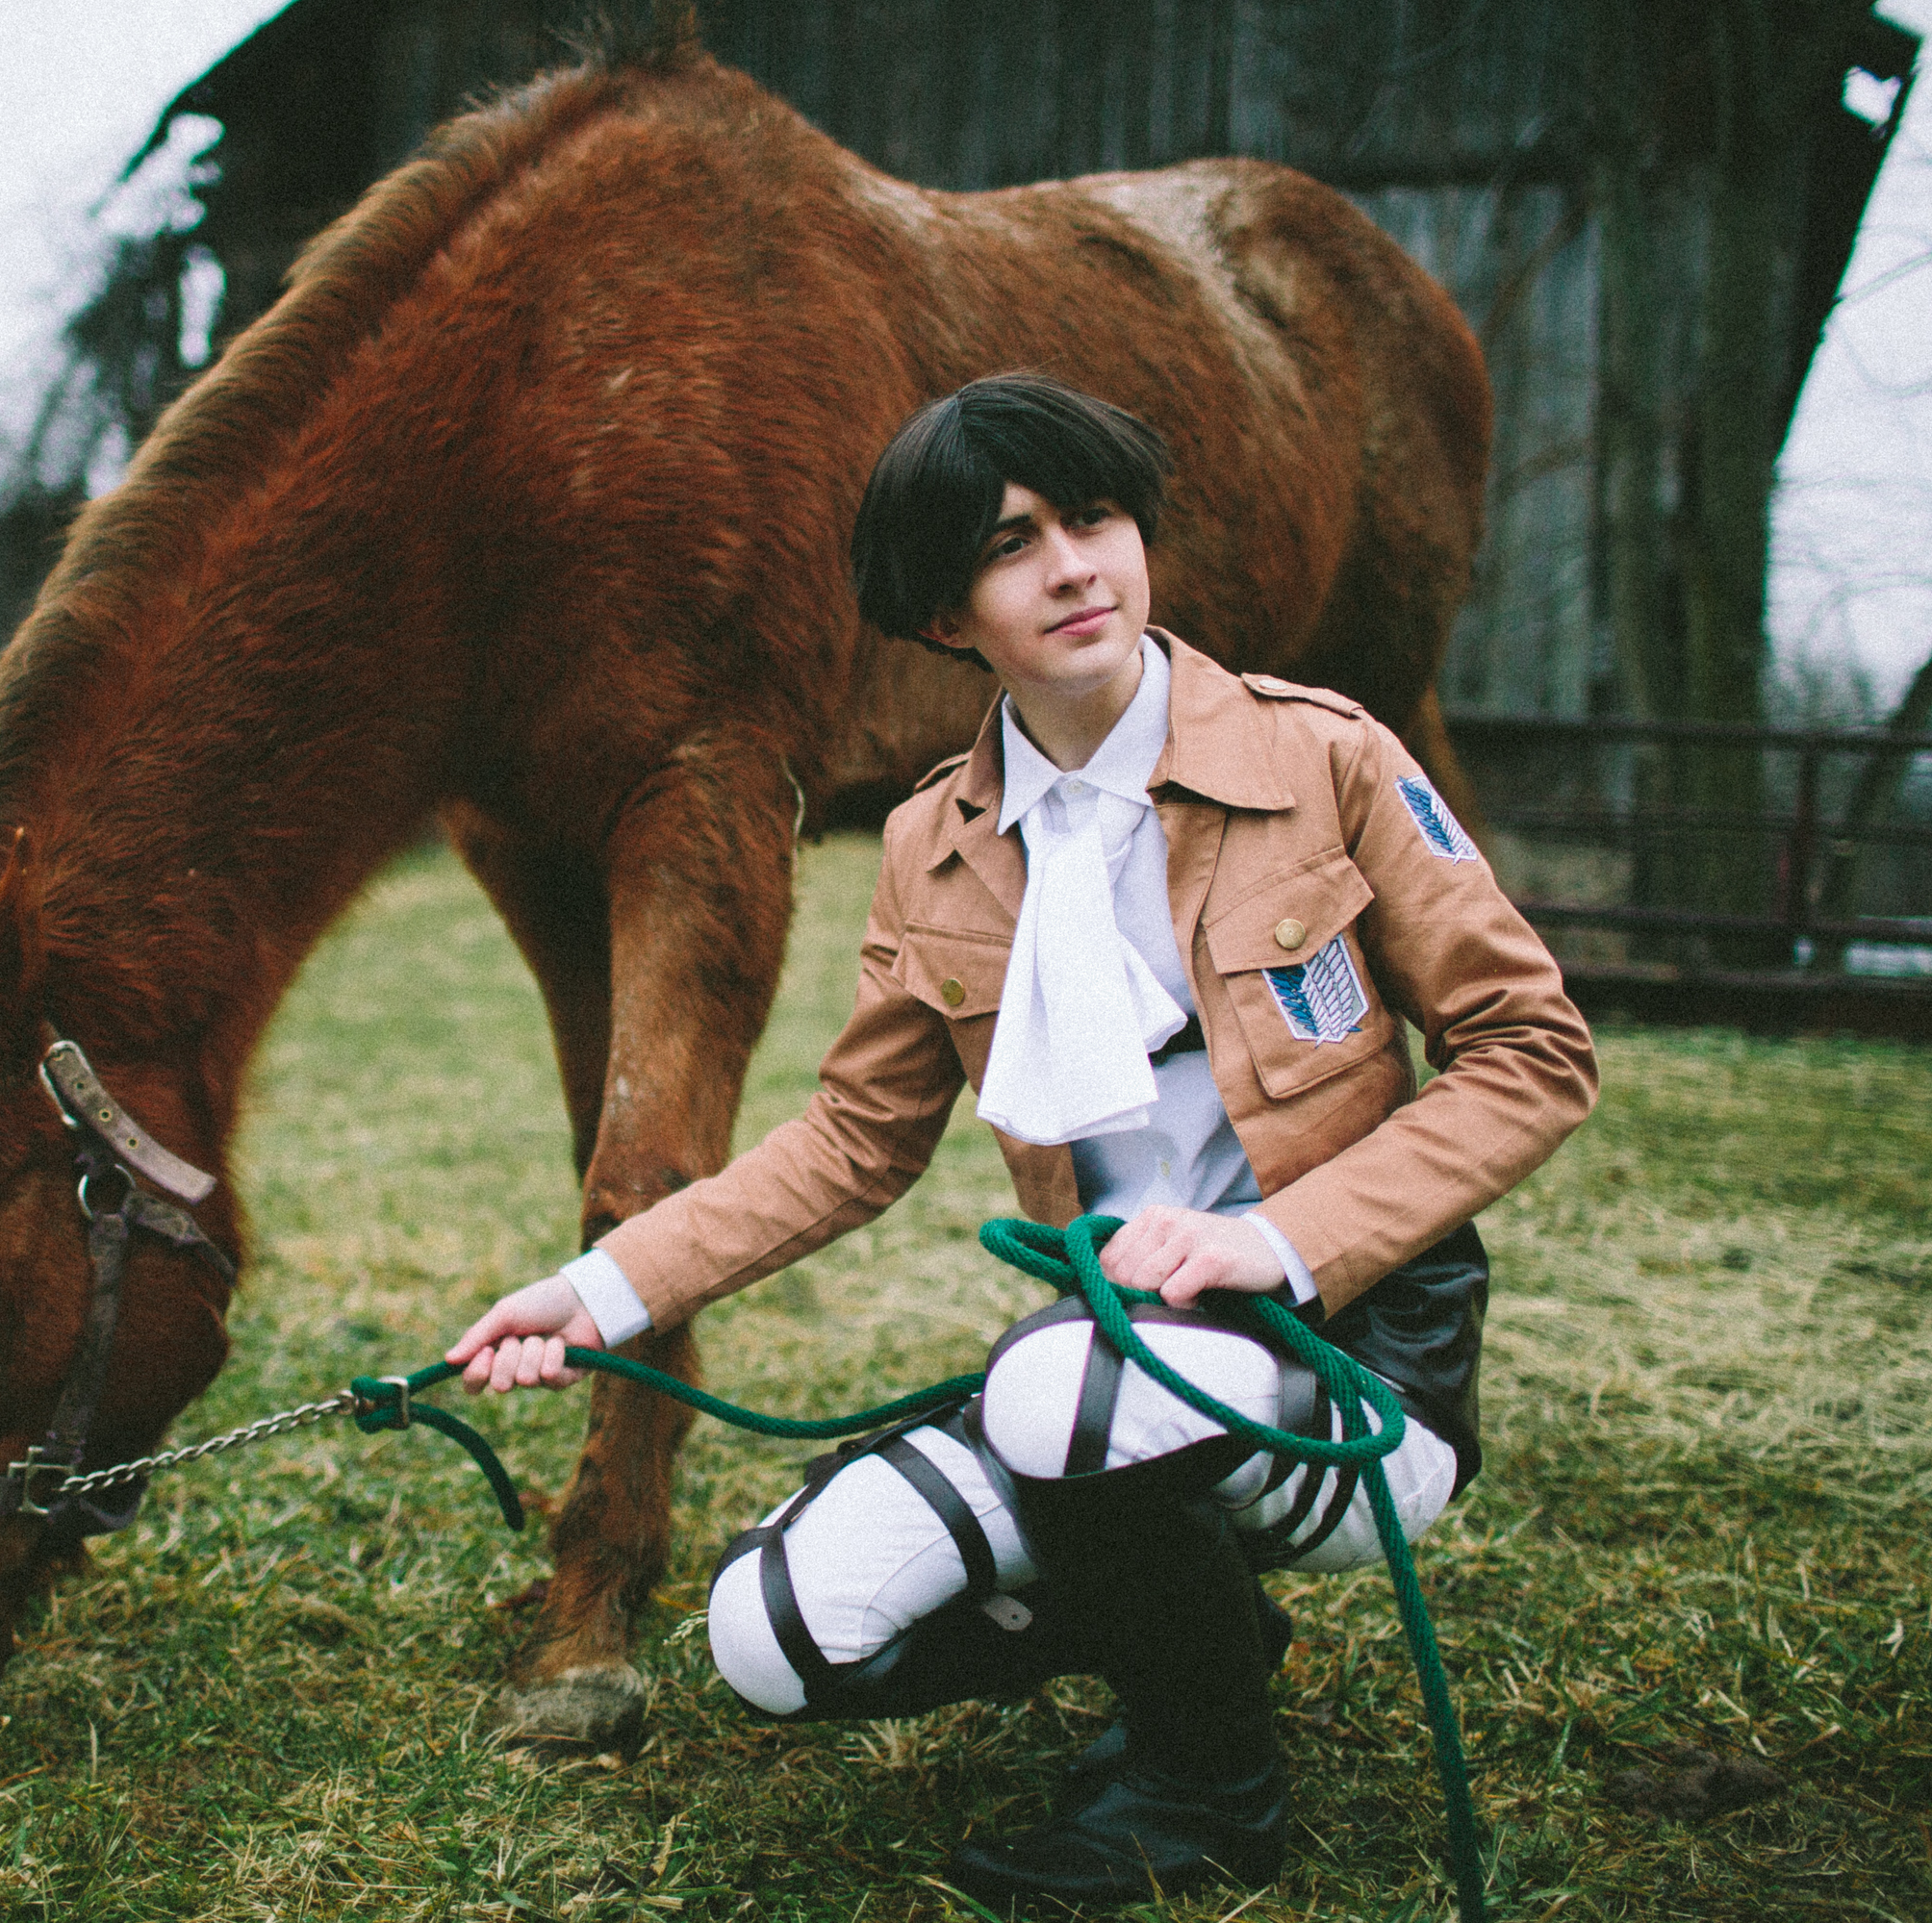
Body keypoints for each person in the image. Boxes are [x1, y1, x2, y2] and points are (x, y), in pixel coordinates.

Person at [445, 373, 1596, 1910]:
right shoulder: (935, 847)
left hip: (1354, 1353)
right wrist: (600, 1291)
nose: (1072, 568)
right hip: (1110, 1369)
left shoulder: (1323, 756)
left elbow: (1532, 1052)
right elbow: (852, 1141)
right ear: (945, 616)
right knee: (774, 1634)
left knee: (1050, 1388)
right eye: (1009, 545)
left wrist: (1275, 1244)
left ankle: (1208, 1792)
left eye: (1094, 518)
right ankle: (1192, 1630)